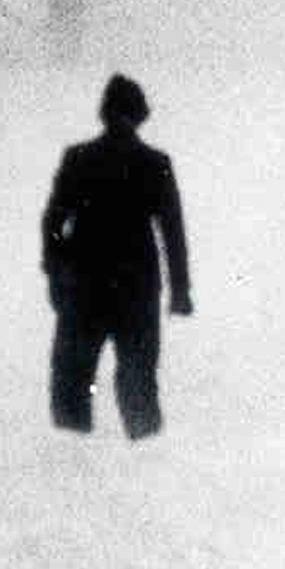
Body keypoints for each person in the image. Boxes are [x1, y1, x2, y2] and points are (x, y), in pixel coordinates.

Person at [41, 74, 193, 439]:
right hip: (137, 290)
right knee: (138, 380)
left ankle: (70, 458)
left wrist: (57, 274)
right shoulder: (156, 163)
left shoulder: (78, 158)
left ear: (104, 114)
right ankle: (145, 460)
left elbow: (53, 223)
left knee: (72, 380)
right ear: (140, 116)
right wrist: (180, 292)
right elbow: (172, 233)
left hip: (84, 288)